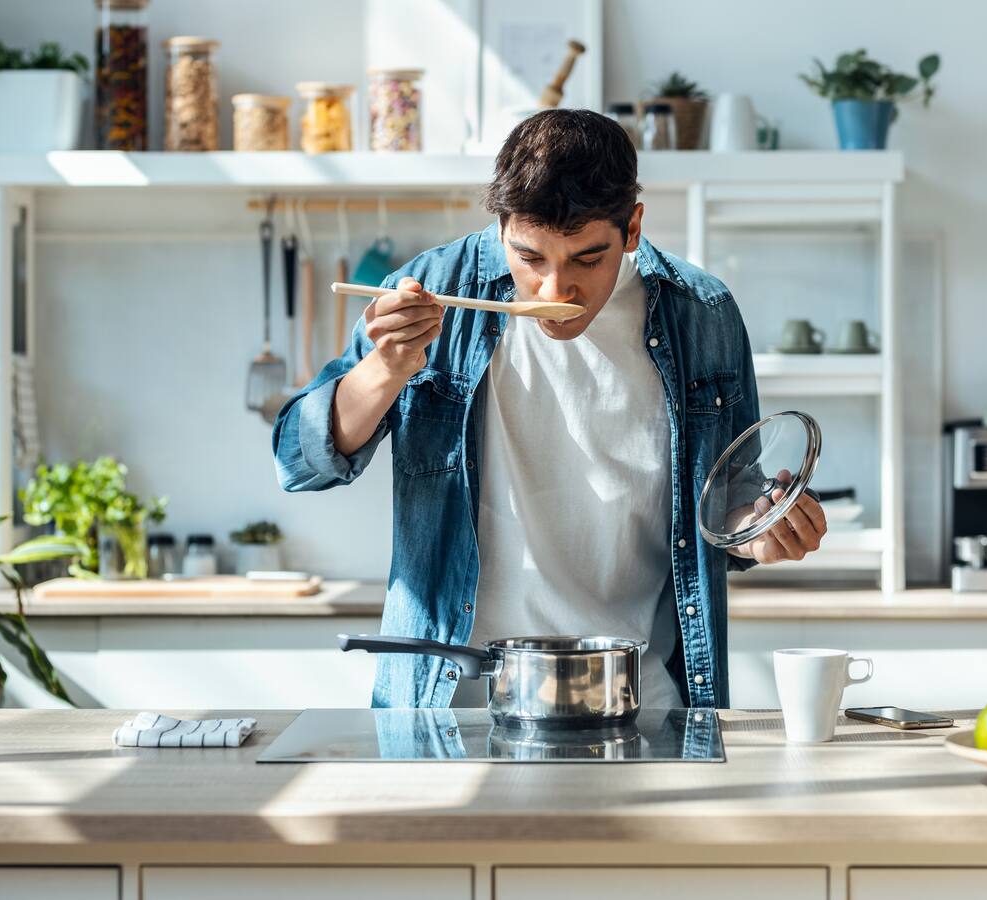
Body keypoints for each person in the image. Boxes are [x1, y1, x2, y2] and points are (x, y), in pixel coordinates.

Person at [273, 109, 826, 710]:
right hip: (453, 700)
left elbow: (727, 504)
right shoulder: (432, 287)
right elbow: (299, 461)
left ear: (632, 228)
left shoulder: (701, 312)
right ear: (501, 228)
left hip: (637, 695)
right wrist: (384, 368)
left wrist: (760, 531)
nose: (555, 290)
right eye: (530, 258)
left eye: (587, 259)